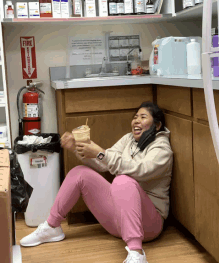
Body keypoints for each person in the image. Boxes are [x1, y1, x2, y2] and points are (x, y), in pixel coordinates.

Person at [20, 101, 173, 263]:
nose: (136, 121)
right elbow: (104, 163)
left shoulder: (162, 149)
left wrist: (101, 153)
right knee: (79, 173)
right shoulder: (129, 139)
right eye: (135, 117)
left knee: (122, 181)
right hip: (120, 221)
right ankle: (52, 227)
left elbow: (140, 170)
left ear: (157, 126)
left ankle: (137, 253)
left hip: (149, 225)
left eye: (143, 117)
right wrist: (77, 148)